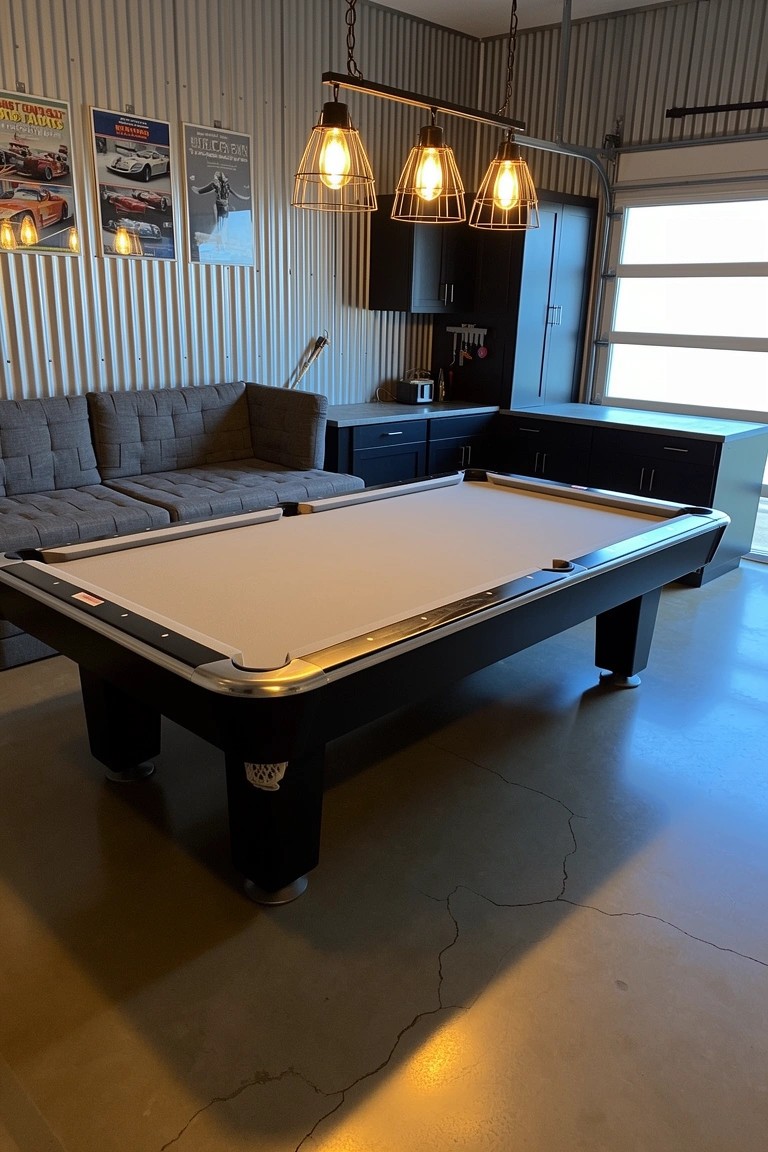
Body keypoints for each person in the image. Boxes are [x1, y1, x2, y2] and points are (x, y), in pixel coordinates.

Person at [190, 170, 249, 235]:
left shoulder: (217, 184)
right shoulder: (225, 185)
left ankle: (221, 234)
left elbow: (200, 191)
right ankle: (221, 234)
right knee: (222, 222)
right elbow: (236, 195)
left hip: (221, 205)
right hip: (223, 205)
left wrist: (193, 187)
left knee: (221, 222)